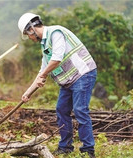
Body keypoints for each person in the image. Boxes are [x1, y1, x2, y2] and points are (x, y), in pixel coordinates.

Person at [18, 13, 97, 158]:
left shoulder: (56, 33)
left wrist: (43, 75)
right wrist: (27, 93)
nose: (29, 38)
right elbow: (42, 70)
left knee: (80, 110)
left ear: (31, 30)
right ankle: (65, 147)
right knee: (61, 110)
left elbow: (56, 60)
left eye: (27, 34)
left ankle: (88, 150)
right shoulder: (45, 45)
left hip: (83, 75)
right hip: (68, 82)